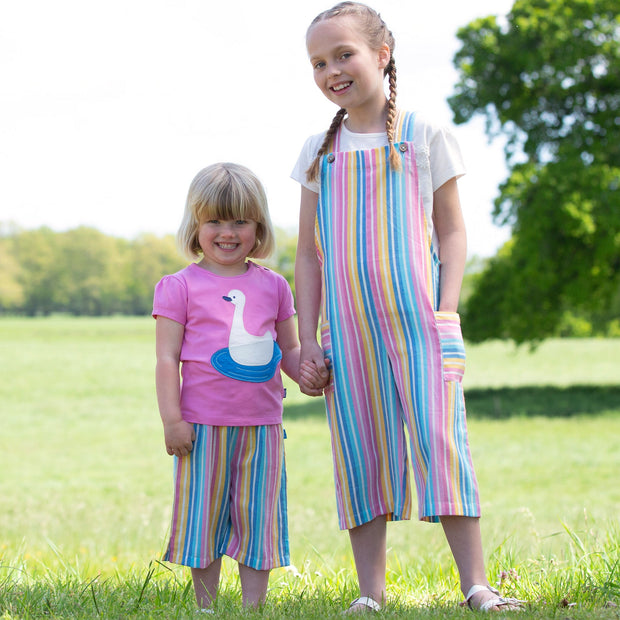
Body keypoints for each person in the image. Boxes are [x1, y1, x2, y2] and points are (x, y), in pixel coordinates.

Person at [292, 2, 523, 613]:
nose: (331, 71)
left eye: (344, 54)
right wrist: (306, 338)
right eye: (319, 62)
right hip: (347, 332)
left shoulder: (425, 136)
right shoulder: (319, 150)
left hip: (421, 326)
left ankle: (476, 585)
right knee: (361, 450)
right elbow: (309, 256)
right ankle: (371, 594)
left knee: (441, 441)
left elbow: (451, 232)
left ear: (381, 55)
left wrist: (446, 312)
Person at [153, 162, 325, 611]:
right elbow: (166, 359)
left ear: (258, 227)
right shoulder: (179, 287)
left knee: (258, 518)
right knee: (202, 520)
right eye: (214, 221)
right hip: (201, 428)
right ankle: (206, 606)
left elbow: (286, 351)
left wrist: (308, 372)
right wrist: (172, 420)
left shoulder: (274, 286)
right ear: (195, 225)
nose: (227, 232)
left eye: (240, 222)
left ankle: (254, 607)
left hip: (263, 427)